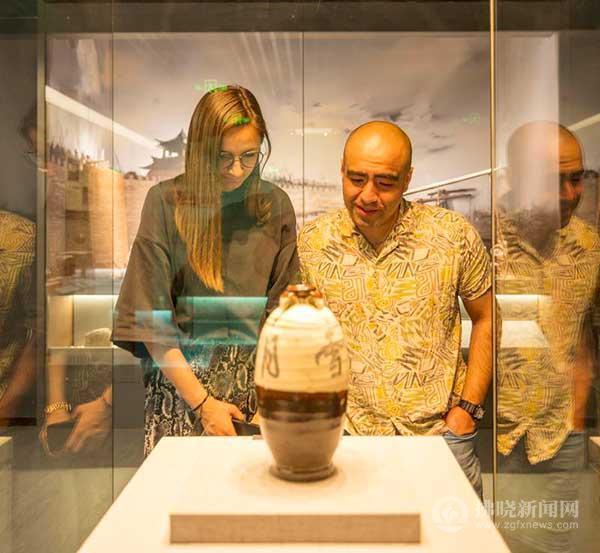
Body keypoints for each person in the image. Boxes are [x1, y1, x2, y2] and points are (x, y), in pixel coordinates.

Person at [298, 121, 492, 497]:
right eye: (356, 179)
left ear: (407, 179)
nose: (368, 195)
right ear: (341, 170)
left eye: (385, 182)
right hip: (347, 439)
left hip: (440, 437)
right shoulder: (312, 243)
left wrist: (467, 410)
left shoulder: (452, 235)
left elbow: (486, 317)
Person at [112, 85, 298, 455]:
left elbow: (284, 315)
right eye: (222, 157)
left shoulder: (274, 205)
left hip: (256, 395)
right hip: (182, 393)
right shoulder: (165, 202)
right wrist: (203, 404)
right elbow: (153, 321)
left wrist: (269, 403)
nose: (236, 170)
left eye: (249, 156)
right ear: (200, 150)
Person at [495, 121, 600, 553]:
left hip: (560, 437)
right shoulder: (478, 238)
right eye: (553, 180)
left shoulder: (591, 246)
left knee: (550, 547)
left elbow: (585, 335)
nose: (569, 194)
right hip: (489, 433)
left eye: (576, 178)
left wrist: (577, 419)